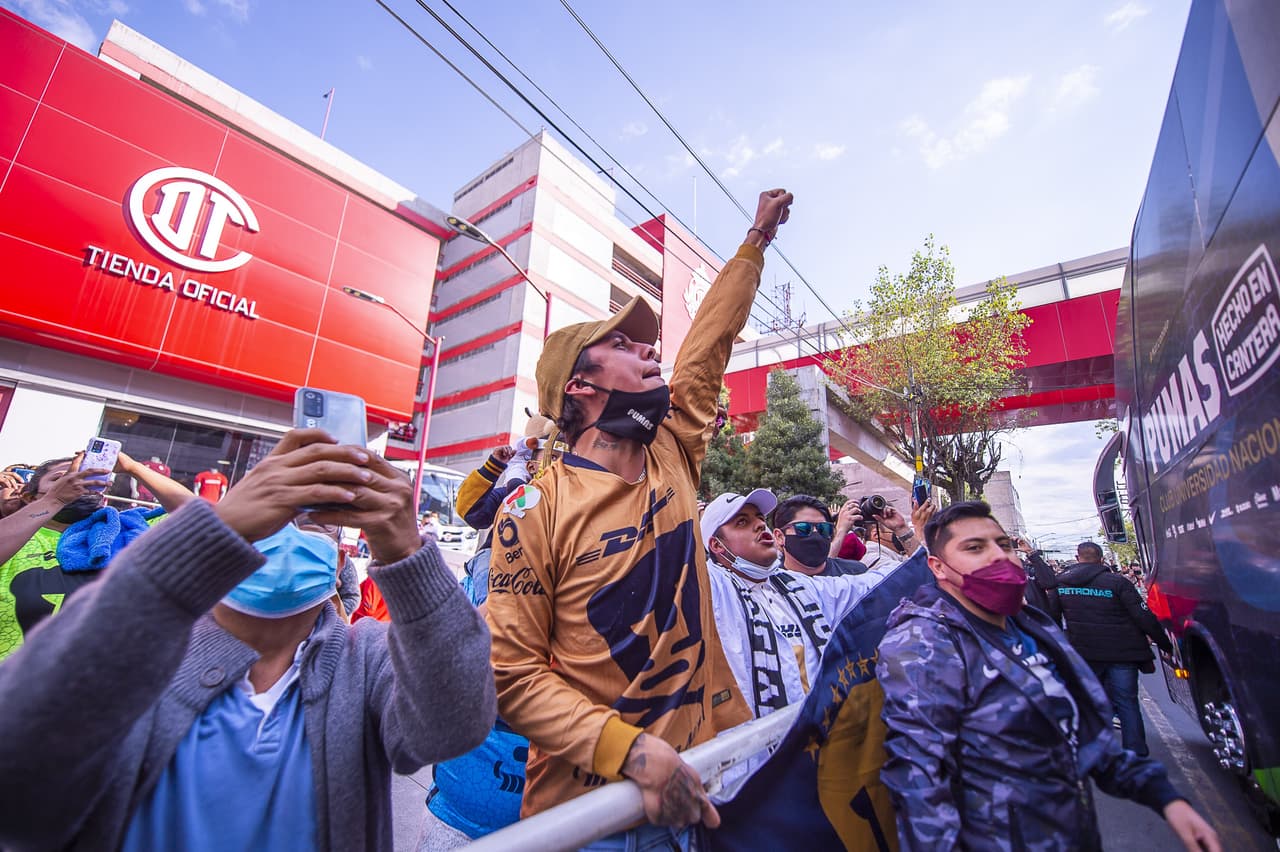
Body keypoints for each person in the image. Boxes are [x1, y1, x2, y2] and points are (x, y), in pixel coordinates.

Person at [0, 428, 495, 850]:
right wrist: (196, 546)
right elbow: (18, 771)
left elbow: (452, 731)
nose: (289, 538)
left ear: (339, 560)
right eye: (275, 517)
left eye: (313, 523)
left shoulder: (365, 656)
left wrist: (408, 555)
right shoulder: (151, 642)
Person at [486, 189, 796, 848]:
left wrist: (755, 244)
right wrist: (629, 751)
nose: (652, 352)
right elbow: (510, 675)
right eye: (625, 345)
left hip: (700, 791)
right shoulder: (533, 511)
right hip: (593, 820)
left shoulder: (672, 450)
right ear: (580, 386)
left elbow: (708, 345)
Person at [876, 501, 1219, 851]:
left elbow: (1081, 734)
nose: (999, 556)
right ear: (938, 567)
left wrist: (1164, 797)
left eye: (1004, 544)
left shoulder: (1031, 623)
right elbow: (919, 779)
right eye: (975, 548)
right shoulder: (924, 642)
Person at [702, 489, 929, 721]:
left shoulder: (800, 587)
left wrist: (906, 533)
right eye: (742, 522)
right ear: (717, 546)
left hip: (815, 733)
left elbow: (883, 583)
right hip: (756, 742)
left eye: (760, 518)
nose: (760, 524)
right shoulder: (711, 591)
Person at [0, 451, 192, 660]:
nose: (77, 483)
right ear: (29, 497)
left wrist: (132, 468)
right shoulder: (15, 537)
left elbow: (201, 518)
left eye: (88, 478)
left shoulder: (128, 529)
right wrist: (55, 499)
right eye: (60, 479)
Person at [1054, 541, 1172, 756]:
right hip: (1122, 653)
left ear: (1078, 558)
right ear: (1101, 560)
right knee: (1126, 703)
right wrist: (1165, 644)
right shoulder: (1117, 582)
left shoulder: (1061, 584)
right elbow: (1143, 616)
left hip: (1085, 653)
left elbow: (1052, 618)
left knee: (1091, 703)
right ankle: (1135, 752)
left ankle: (1099, 751)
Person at [770, 494, 866, 577]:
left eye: (823, 528)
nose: (816, 533)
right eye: (804, 528)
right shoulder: (772, 585)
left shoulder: (857, 574)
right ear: (779, 537)